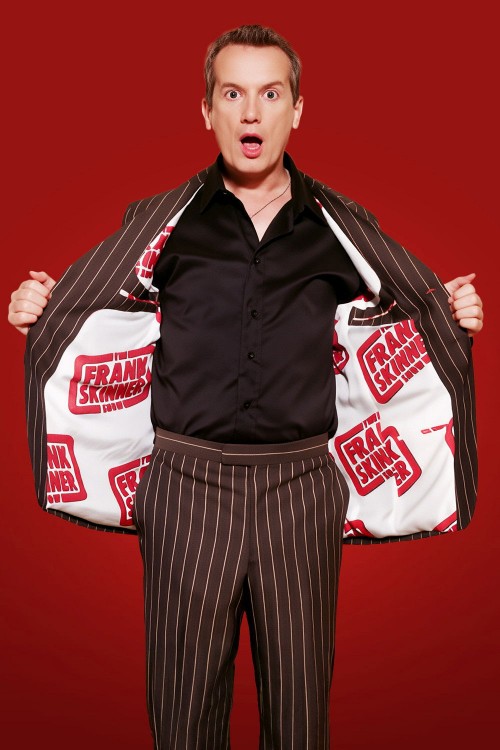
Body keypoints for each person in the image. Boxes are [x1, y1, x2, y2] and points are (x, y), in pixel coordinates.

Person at [7, 24, 483, 750]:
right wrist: (37, 310)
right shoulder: (161, 225)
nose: (251, 112)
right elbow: (92, 306)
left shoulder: (340, 230)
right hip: (186, 487)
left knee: (299, 718)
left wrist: (454, 316)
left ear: (297, 109)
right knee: (183, 715)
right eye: (232, 94)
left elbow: (406, 315)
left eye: (270, 94)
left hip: (301, 490)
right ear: (207, 110)